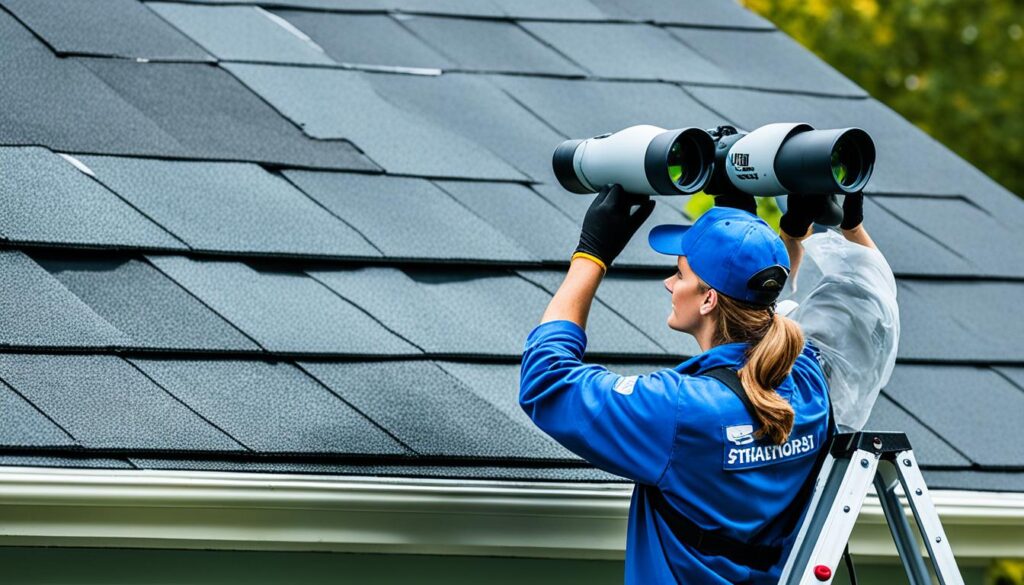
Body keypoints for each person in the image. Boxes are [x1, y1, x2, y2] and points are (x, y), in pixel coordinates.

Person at [519, 186, 896, 584]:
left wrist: (591, 255)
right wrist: (841, 228)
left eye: (679, 273)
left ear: (708, 300)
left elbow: (546, 379)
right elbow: (868, 307)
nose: (668, 283)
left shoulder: (679, 410)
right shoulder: (809, 383)